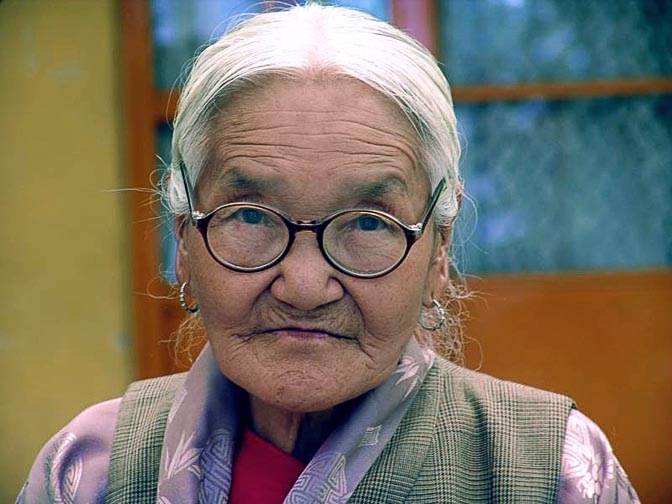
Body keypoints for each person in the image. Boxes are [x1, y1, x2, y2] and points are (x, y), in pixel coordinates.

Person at [18, 4, 639, 503]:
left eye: (368, 223)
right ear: (183, 240)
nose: (306, 284)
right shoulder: (90, 472)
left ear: (439, 252)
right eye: (252, 217)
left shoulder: (552, 473)